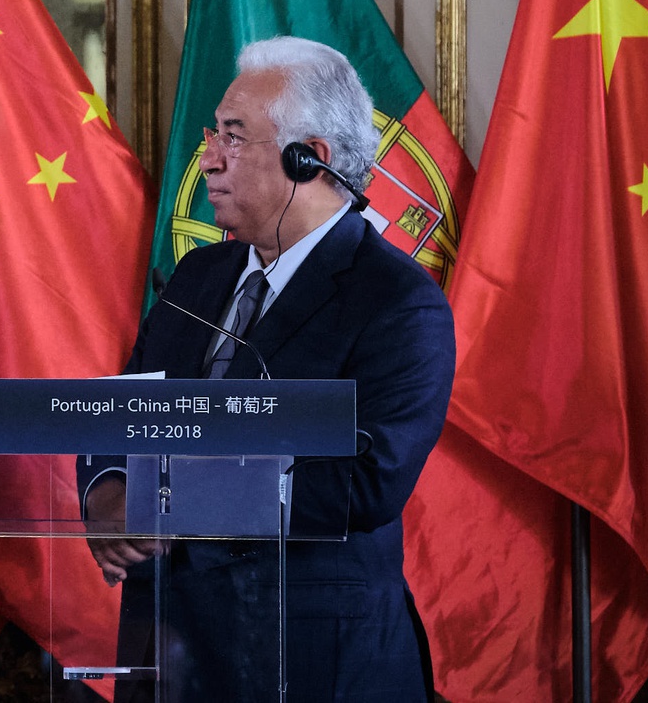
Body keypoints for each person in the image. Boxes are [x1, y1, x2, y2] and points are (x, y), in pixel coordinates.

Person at [82, 36, 454, 701]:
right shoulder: (199, 275)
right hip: (168, 654)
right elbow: (125, 405)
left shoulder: (397, 302)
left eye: (233, 136)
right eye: (212, 134)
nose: (208, 157)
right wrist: (107, 493)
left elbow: (364, 482)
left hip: (309, 661)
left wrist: (171, 502)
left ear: (309, 159)